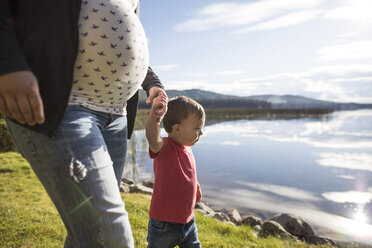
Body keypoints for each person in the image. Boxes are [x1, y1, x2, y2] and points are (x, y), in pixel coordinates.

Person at [0, 0, 167, 247]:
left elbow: (127, 36)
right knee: (111, 237)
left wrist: (152, 82)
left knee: (86, 234)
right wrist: (7, 63)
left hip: (116, 116)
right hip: (61, 104)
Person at [145, 94, 205, 248]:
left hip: (188, 221)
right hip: (164, 224)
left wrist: (194, 184)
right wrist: (154, 117)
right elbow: (152, 138)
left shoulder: (187, 148)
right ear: (177, 129)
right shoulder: (164, 147)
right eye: (197, 128)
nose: (201, 133)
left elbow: (185, 173)